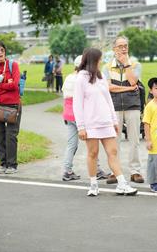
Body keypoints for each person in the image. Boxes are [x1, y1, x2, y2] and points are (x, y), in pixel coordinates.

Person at [73, 48, 137, 197]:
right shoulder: (81, 78)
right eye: (99, 59)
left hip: (106, 122)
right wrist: (81, 127)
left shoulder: (101, 76)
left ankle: (122, 184)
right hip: (90, 124)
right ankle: (93, 185)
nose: (101, 61)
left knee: (112, 152)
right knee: (93, 153)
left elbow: (108, 100)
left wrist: (114, 121)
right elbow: (77, 104)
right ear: (93, 60)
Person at [102, 36, 144, 184]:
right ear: (114, 49)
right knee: (114, 141)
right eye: (120, 46)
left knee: (134, 139)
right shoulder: (106, 67)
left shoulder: (136, 64)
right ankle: (115, 171)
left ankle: (135, 171)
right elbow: (109, 87)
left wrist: (126, 64)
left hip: (133, 105)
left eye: (125, 46)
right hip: (114, 107)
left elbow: (134, 81)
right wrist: (128, 88)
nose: (123, 48)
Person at [61, 55, 109, 181]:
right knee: (92, 144)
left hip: (68, 114)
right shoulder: (82, 79)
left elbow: (64, 96)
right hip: (80, 116)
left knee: (72, 144)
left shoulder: (68, 78)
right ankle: (97, 170)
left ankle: (67, 171)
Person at [0, 40, 22, 174]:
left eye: (2, 50)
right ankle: (3, 164)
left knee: (11, 135)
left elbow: (14, 85)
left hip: (13, 104)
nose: (0, 52)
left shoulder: (13, 65)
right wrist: (6, 86)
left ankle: (12, 165)